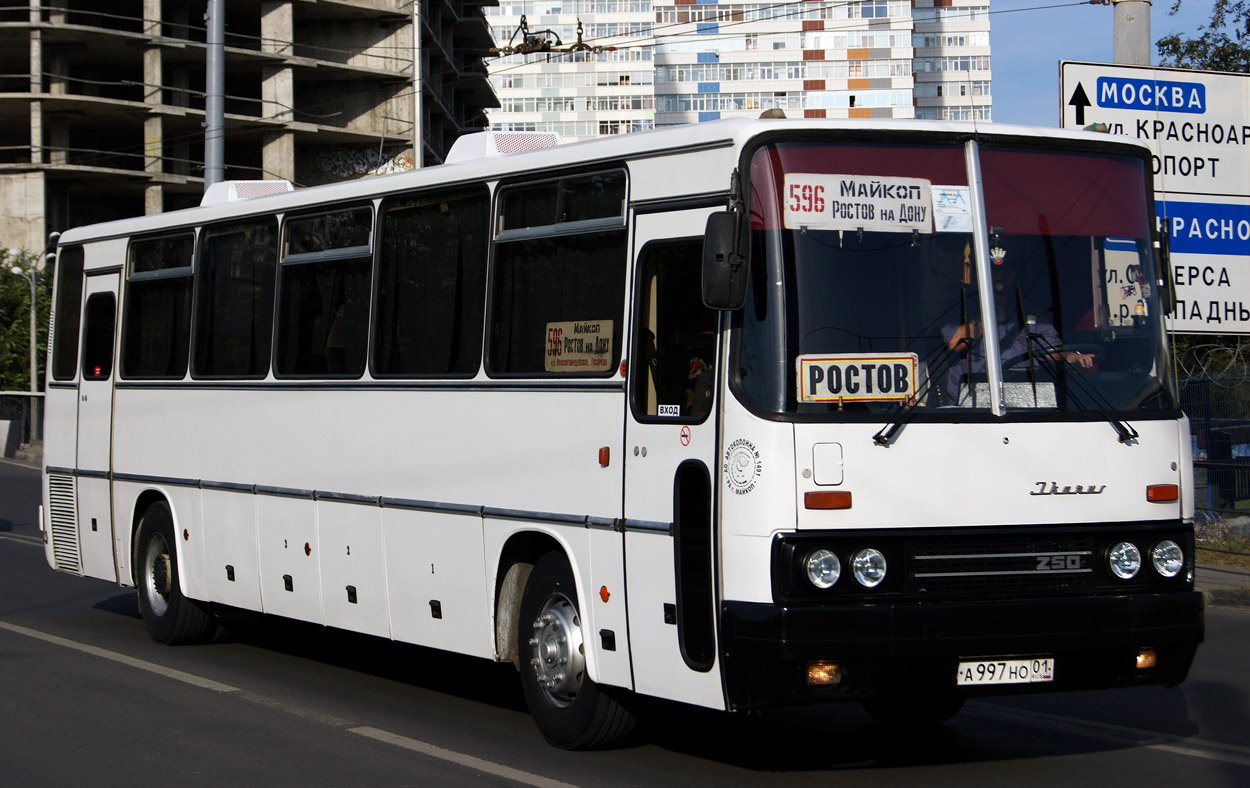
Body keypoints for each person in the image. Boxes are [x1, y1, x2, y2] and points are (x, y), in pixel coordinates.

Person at [942, 310, 1095, 404]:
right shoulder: (963, 311)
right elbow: (954, 343)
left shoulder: (1033, 318)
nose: (1001, 280)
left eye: (1008, 272)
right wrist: (984, 314)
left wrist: (1071, 356)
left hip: (1028, 406)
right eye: (995, 273)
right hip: (971, 407)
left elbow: (1054, 351)